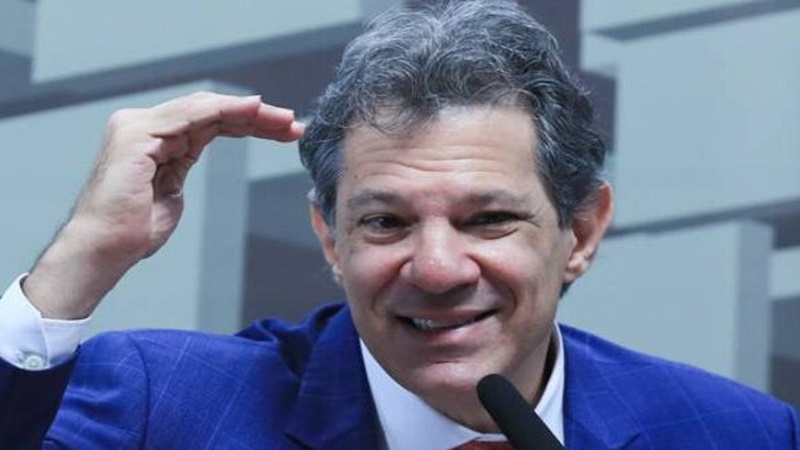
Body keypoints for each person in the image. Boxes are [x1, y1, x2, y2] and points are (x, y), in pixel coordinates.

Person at [0, 1, 797, 449]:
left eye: (488, 219)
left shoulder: (738, 433)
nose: (438, 268)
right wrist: (80, 261)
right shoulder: (165, 405)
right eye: (385, 222)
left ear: (581, 233)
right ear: (331, 239)